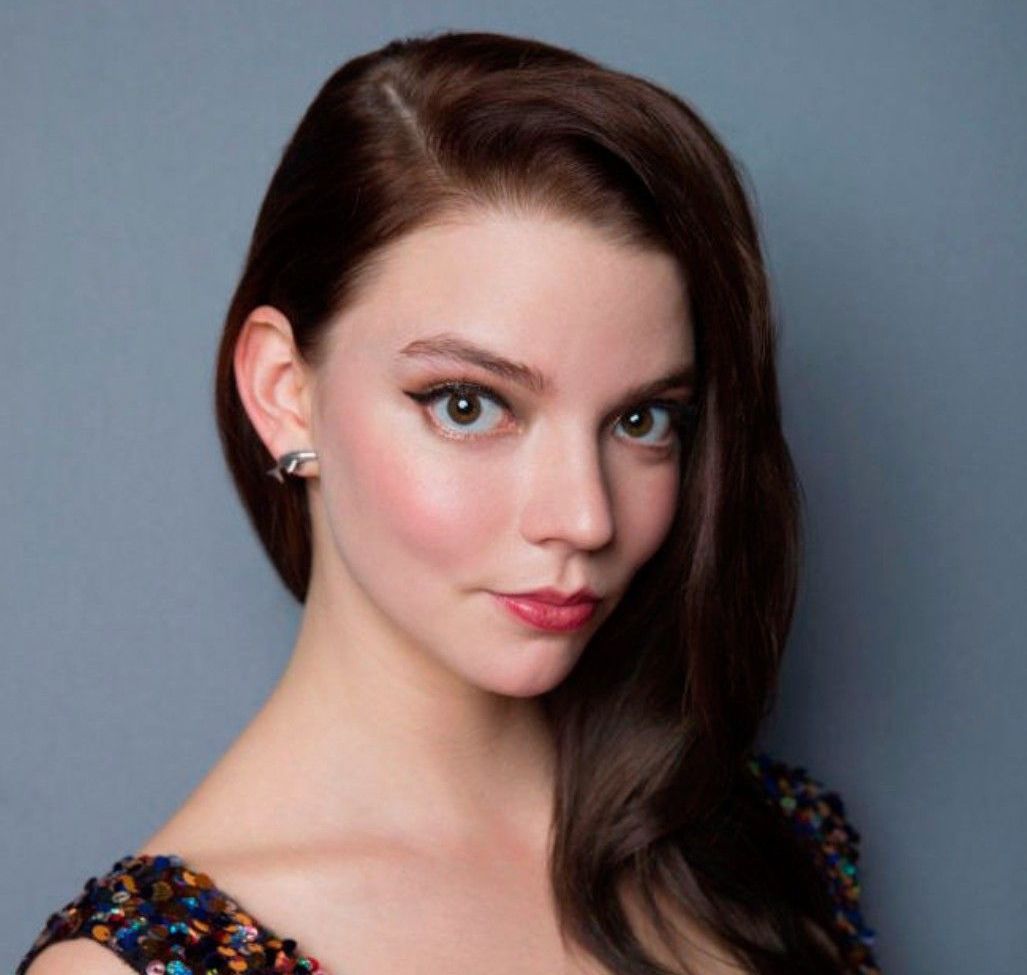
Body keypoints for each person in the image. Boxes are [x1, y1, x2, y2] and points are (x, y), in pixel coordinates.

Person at [17, 28, 880, 975]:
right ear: (284, 392)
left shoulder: (767, 849)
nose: (585, 517)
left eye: (641, 420)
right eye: (468, 406)